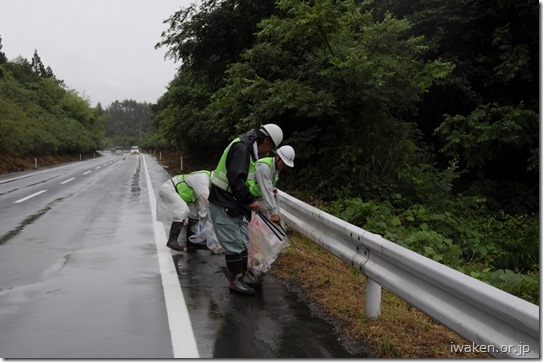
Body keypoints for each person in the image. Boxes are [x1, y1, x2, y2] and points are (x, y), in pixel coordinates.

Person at [209, 124, 283, 295]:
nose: (267, 153)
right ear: (266, 140)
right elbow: (235, 178)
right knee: (234, 243)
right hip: (224, 201)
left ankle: (242, 278)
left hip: (233, 202)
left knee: (242, 241)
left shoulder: (248, 149)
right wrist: (250, 200)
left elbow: (246, 180)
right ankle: (236, 281)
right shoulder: (242, 149)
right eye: (270, 148)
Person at [245, 145, 295, 288]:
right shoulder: (264, 167)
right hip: (250, 200)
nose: (284, 167)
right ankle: (254, 269)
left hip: (258, 199)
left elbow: (267, 188)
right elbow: (266, 191)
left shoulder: (275, 169)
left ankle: (259, 265)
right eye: (283, 164)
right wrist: (274, 213)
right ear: (278, 157)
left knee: (264, 237)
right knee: (256, 238)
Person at [156, 170, 212, 252]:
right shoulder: (202, 178)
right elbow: (205, 198)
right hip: (169, 189)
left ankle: (192, 242)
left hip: (180, 194)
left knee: (194, 213)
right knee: (183, 210)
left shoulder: (207, 179)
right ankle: (172, 241)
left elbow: (202, 206)